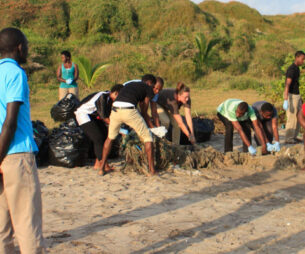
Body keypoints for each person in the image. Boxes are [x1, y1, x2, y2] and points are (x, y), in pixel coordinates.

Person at [0, 27, 45, 253]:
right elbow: (10, 121)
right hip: (15, 154)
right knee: (28, 225)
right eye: (26, 45)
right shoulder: (15, 73)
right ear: (19, 47)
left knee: (2, 228)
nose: (27, 49)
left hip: (1, 156)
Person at [98, 81, 162, 176]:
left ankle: (101, 168)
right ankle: (152, 170)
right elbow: (144, 110)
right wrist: (151, 125)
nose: (155, 91)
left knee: (110, 138)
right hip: (128, 110)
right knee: (148, 138)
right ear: (149, 83)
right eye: (155, 88)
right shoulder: (148, 88)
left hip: (115, 109)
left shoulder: (131, 85)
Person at [74, 84, 123, 170]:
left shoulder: (109, 99)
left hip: (93, 116)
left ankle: (97, 163)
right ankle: (103, 164)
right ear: (115, 93)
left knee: (105, 136)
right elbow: (104, 117)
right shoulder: (102, 97)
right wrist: (119, 129)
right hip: (83, 115)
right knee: (98, 138)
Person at [283, 50, 305, 144]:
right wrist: (286, 98)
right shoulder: (292, 69)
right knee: (292, 116)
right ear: (297, 58)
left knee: (298, 115)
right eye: (302, 59)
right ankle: (289, 137)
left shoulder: (296, 68)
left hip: (296, 95)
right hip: (291, 95)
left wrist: (300, 98)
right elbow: (288, 83)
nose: (303, 61)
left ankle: (294, 136)